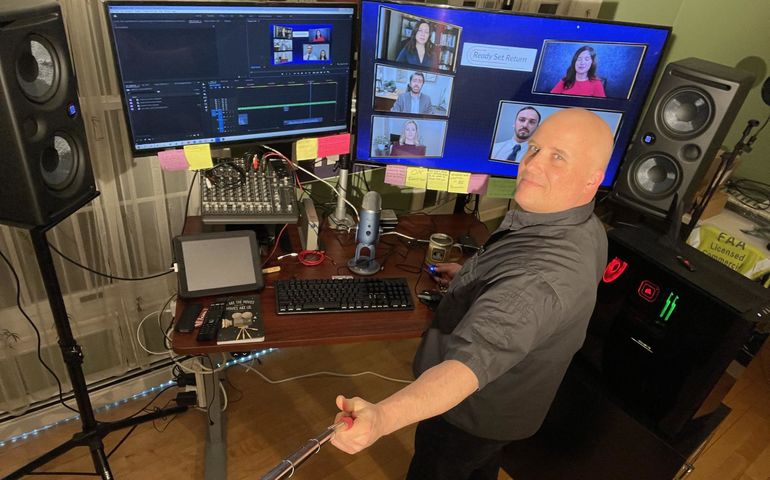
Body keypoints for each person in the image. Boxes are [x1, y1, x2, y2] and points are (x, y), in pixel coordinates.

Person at [331, 108, 614, 480]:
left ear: (592, 179)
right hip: (511, 408)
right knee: (479, 467)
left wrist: (382, 418)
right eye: (534, 149)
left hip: (468, 415)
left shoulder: (534, 283)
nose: (530, 166)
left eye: (558, 157)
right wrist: (474, 275)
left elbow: (464, 370)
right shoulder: (584, 225)